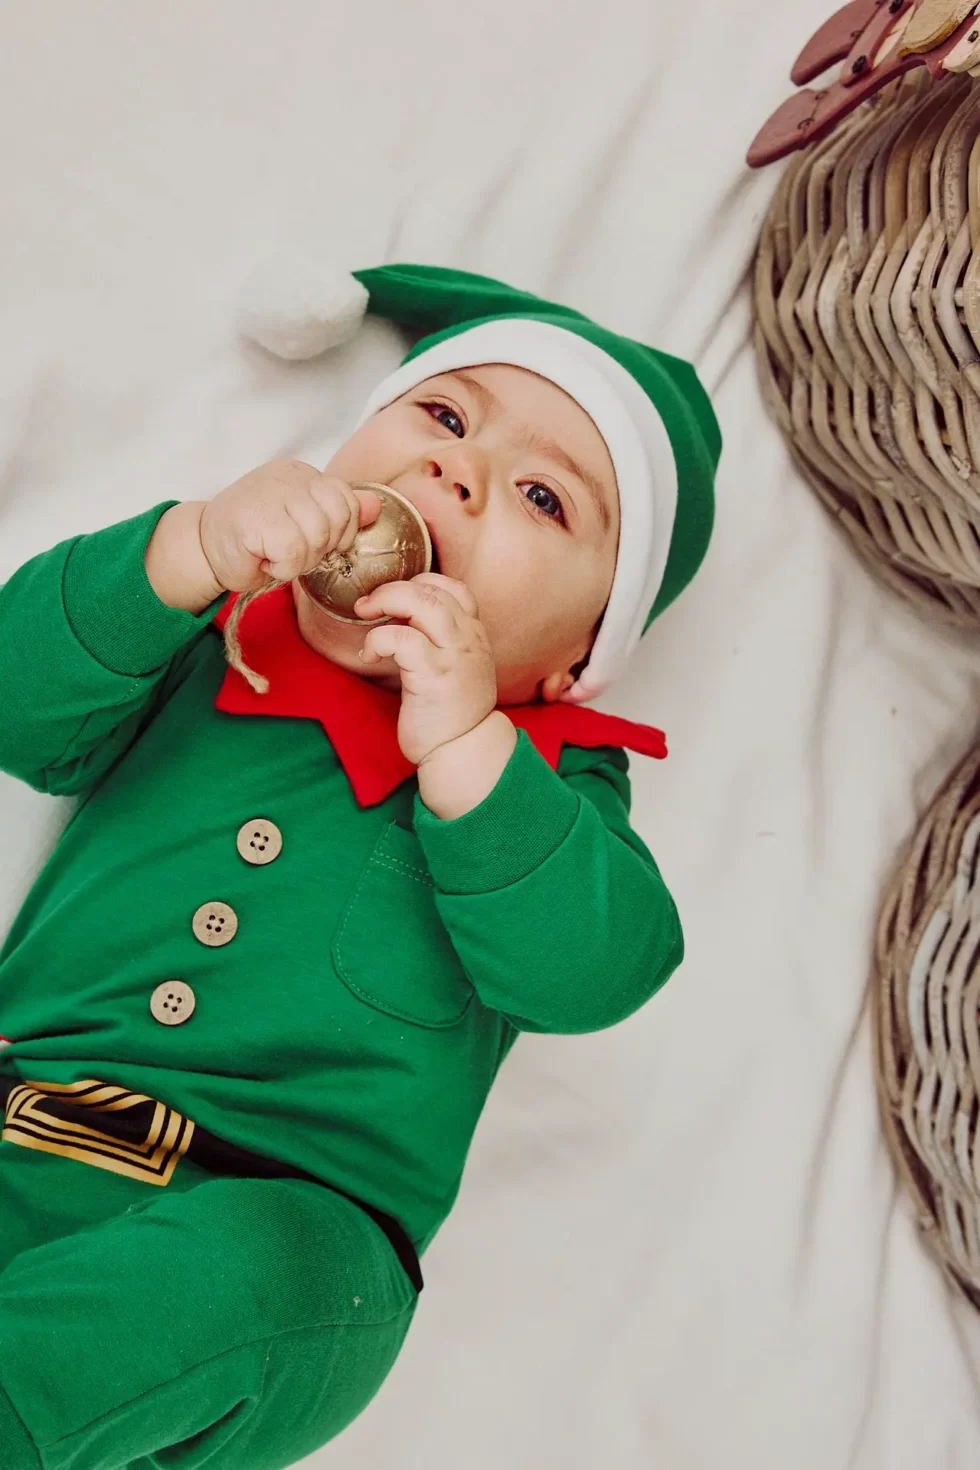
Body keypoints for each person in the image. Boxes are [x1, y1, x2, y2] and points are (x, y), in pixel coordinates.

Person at [0, 263, 720, 1469]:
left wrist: (468, 751)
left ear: (572, 664)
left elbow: (594, 971)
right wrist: (186, 549)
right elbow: (22, 706)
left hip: (294, 1239)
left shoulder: (545, 774)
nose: (458, 473)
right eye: (441, 418)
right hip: (26, 1125)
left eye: (542, 498)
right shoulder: (211, 633)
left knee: (214, 1288)